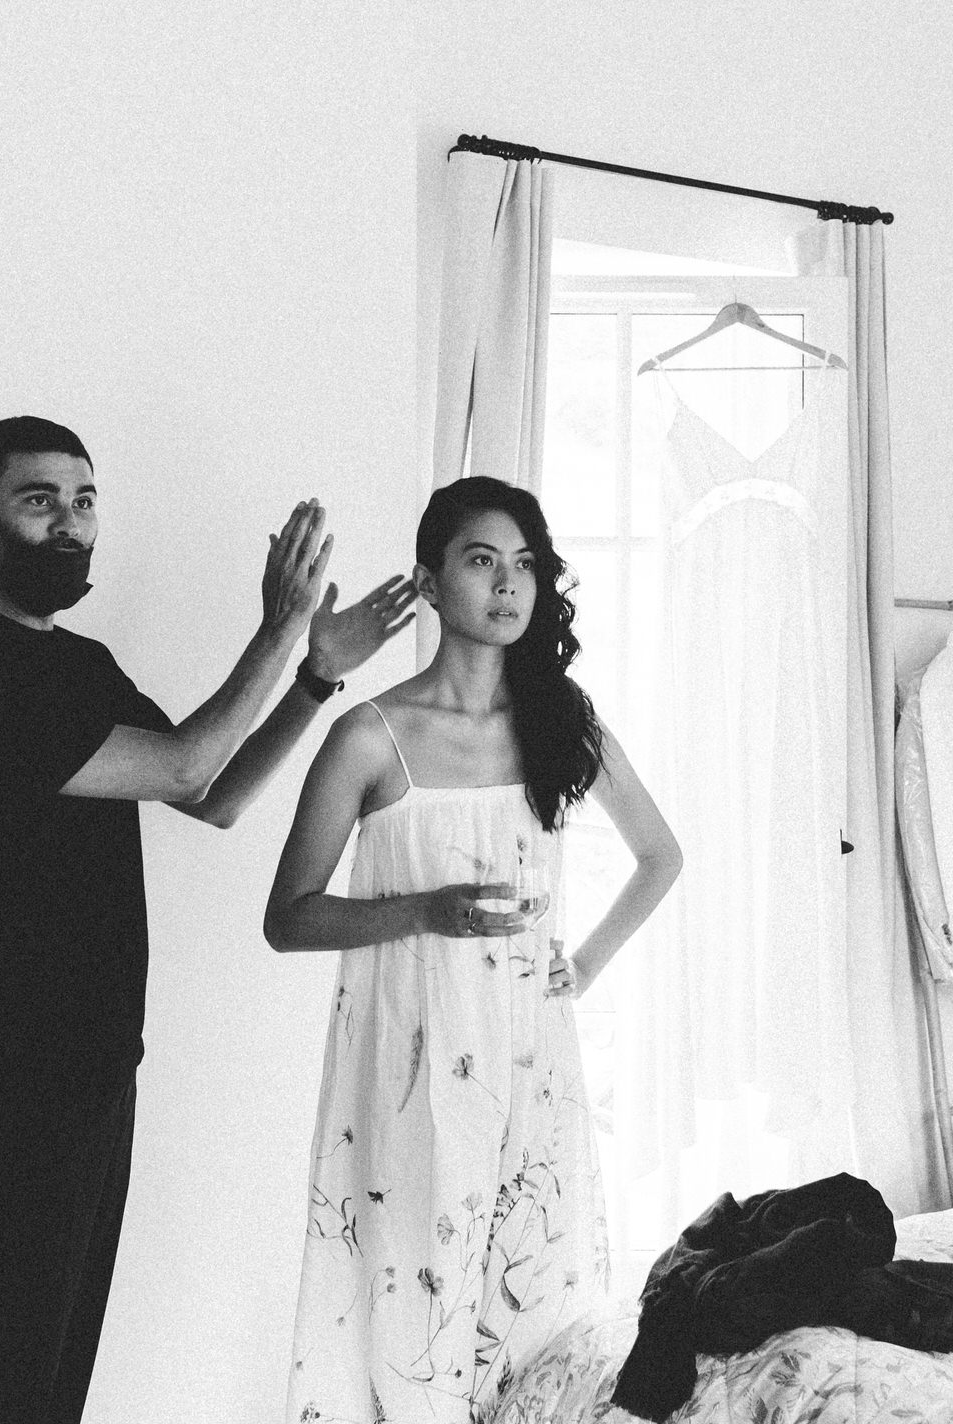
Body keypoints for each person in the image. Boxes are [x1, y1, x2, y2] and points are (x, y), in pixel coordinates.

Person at [0, 415, 417, 1424]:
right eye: (38, 500)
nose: (69, 523)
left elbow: (211, 792)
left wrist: (314, 678)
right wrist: (281, 630)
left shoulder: (79, 665)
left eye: (84, 501)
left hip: (94, 1069)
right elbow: (183, 765)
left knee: (51, 1382)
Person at [266, 476, 683, 1424]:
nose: (506, 585)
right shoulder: (370, 738)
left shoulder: (561, 723)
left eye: (524, 565)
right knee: (413, 1326)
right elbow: (288, 917)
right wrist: (424, 911)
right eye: (481, 560)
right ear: (428, 580)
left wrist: (584, 966)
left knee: (535, 1325)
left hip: (533, 1068)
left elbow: (661, 856)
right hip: (411, 1073)